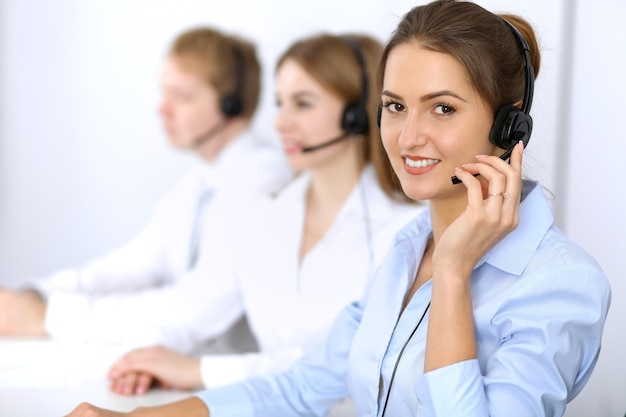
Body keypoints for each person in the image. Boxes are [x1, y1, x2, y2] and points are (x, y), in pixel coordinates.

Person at [64, 1, 611, 416]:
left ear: (508, 125)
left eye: (442, 108)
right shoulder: (405, 250)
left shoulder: (560, 282)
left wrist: (451, 274)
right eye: (395, 106)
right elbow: (298, 388)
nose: (408, 136)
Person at [104, 32, 423, 395]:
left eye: (302, 104)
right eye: (279, 103)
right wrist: (143, 360)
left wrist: (200, 371)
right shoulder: (261, 215)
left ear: (357, 114)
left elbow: (347, 364)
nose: (280, 123)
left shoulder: (404, 231)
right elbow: (191, 310)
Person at [0, 27, 293, 351]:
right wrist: (35, 294)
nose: (162, 109)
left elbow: (196, 309)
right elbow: (133, 266)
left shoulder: (261, 179)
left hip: (234, 379)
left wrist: (49, 317)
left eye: (182, 96)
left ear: (231, 105)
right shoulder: (198, 182)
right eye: (163, 93)